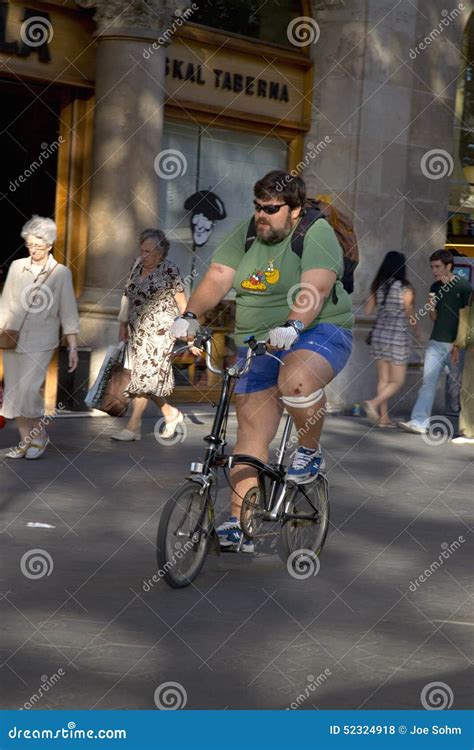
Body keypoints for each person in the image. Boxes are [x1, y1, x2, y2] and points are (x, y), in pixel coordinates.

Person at [171, 170, 354, 552]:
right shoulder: (249, 232)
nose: (261, 215)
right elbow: (219, 276)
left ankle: (309, 449)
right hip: (258, 344)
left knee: (298, 381)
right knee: (248, 442)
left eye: (271, 209)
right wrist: (190, 315)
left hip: (318, 331)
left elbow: (316, 286)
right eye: (257, 207)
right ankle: (241, 524)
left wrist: (293, 324)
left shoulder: (314, 232)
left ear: (295, 209)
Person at [0, 216, 80, 459]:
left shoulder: (61, 273)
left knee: (29, 390)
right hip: (12, 338)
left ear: (49, 245)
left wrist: (74, 347)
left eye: (38, 244)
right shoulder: (16, 267)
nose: (33, 249)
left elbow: (68, 310)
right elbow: (5, 304)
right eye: (30, 244)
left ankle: (40, 436)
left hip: (41, 341)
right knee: (14, 393)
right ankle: (27, 441)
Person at [112, 228, 196, 441]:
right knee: (147, 378)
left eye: (149, 252)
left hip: (161, 332)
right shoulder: (136, 265)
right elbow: (126, 294)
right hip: (137, 330)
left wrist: (190, 333)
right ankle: (171, 413)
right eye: (142, 250)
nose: (144, 255)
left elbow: (182, 304)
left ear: (161, 253)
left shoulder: (170, 271)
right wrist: (122, 324)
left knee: (144, 376)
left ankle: (133, 427)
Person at [399, 249, 472, 434]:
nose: (434, 270)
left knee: (461, 388)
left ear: (449, 266)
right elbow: (434, 317)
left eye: (438, 266)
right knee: (428, 383)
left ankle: (467, 428)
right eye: (432, 267)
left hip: (456, 345)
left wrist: (458, 345)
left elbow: (467, 319)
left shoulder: (464, 287)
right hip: (436, 342)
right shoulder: (434, 288)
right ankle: (419, 421)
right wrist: (431, 308)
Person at [363, 251, 418, 427]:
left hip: (379, 335)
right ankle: (373, 403)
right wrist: (418, 331)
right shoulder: (405, 288)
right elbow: (409, 314)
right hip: (397, 337)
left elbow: (368, 311)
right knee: (397, 381)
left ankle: (383, 418)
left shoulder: (378, 285)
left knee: (384, 380)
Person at [451, 293, 474, 445]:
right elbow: (466, 319)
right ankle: (468, 430)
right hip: (471, 350)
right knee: (467, 390)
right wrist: (457, 345)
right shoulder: (472, 295)